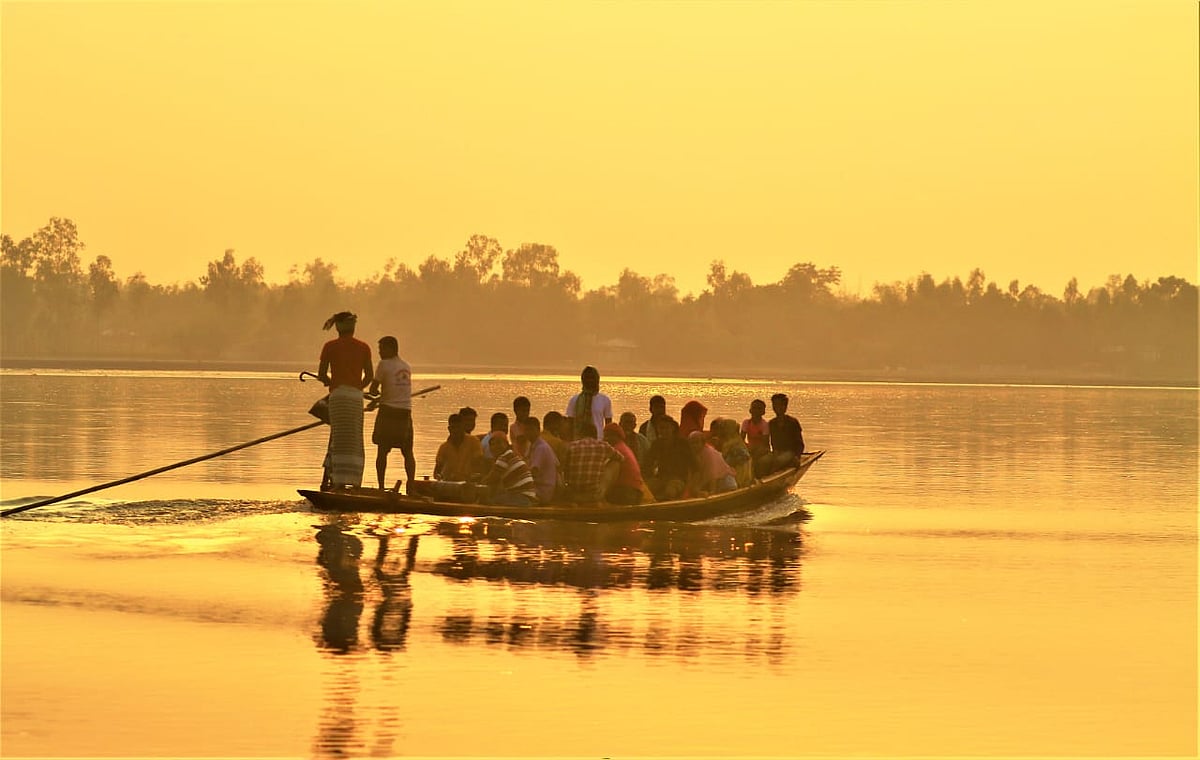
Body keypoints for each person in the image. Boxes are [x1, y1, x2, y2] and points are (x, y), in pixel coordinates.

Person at [317, 311, 374, 489]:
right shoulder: (364, 347)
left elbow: (321, 375)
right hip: (356, 398)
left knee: (337, 439)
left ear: (338, 327)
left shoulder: (329, 346)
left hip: (338, 397)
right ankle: (355, 483)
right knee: (355, 440)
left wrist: (330, 382)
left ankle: (336, 482)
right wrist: (357, 388)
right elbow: (369, 377)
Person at [367, 335, 415, 492]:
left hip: (388, 412)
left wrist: (373, 396)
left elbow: (373, 389)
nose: (379, 353)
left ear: (392, 349)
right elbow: (395, 391)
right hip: (405, 412)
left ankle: (381, 487)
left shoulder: (383, 364)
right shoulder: (407, 366)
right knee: (407, 452)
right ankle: (411, 486)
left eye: (382, 349)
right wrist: (378, 399)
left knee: (382, 450)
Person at [562, 421, 621, 504]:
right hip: (594, 495)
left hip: (573, 494)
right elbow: (621, 458)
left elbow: (564, 468)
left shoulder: (571, 446)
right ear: (596, 435)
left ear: (580, 435)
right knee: (616, 463)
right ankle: (602, 492)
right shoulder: (603, 445)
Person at [481, 432, 538, 507]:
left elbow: (492, 478)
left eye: (499, 443)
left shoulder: (504, 457)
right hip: (526, 497)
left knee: (491, 501)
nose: (495, 446)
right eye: (492, 444)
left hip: (521, 497)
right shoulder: (511, 454)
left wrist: (479, 484)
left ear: (506, 444)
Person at [643, 415, 690, 501]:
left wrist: (691, 487)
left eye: (666, 428)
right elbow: (647, 464)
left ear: (672, 428)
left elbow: (695, 467)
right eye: (661, 428)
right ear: (657, 429)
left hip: (678, 478)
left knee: (670, 492)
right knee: (644, 489)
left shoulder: (683, 444)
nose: (664, 431)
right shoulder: (656, 444)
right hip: (661, 478)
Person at [565, 366, 613, 440]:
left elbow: (609, 425)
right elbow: (570, 424)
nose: (590, 381)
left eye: (592, 378)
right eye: (587, 378)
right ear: (583, 380)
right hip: (578, 440)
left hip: (599, 441)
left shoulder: (605, 400)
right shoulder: (574, 400)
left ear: (597, 380)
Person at [762, 392, 805, 475]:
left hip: (790, 452)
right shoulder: (771, 423)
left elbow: (800, 443)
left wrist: (797, 456)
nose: (777, 407)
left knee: (779, 461)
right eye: (775, 405)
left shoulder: (793, 422)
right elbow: (769, 442)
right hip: (777, 452)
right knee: (762, 461)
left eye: (780, 405)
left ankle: (770, 476)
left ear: (785, 407)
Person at [602, 422, 645, 505]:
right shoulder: (623, 447)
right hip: (634, 492)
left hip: (626, 493)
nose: (606, 439)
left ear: (618, 437)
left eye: (609, 436)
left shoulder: (617, 451)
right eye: (605, 436)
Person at [434, 413, 483, 482]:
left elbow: (479, 463)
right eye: (453, 428)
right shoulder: (444, 447)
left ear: (463, 428)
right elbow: (437, 471)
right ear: (449, 429)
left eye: (458, 427)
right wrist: (439, 476)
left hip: (468, 482)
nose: (456, 430)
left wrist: (474, 476)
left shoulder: (473, 441)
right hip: (449, 482)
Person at [686, 430, 737, 496]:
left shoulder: (709, 453)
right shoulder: (692, 454)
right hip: (710, 483)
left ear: (703, 443)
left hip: (726, 484)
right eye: (691, 443)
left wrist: (712, 492)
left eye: (696, 442)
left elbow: (713, 474)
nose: (693, 445)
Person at [522, 417, 560, 504]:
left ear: (538, 430)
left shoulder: (541, 448)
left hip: (542, 491)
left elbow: (534, 472)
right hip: (537, 488)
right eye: (526, 430)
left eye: (531, 430)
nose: (528, 433)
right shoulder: (531, 445)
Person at [713, 417, 753, 487]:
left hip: (739, 478)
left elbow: (727, 464)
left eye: (723, 428)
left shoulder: (733, 445)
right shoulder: (736, 441)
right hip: (742, 476)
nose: (721, 431)